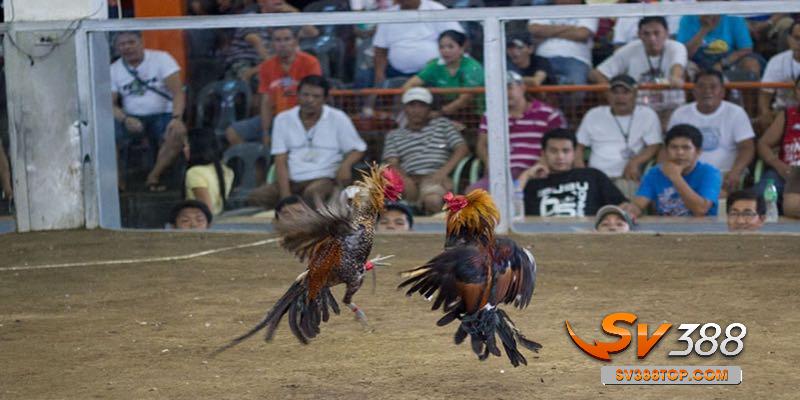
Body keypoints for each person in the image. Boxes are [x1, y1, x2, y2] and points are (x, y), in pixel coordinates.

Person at [247, 75, 367, 209]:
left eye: (316, 96)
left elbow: (358, 149)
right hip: (293, 181)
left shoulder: (338, 118)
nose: (309, 100)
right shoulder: (283, 119)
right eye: (305, 95)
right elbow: (280, 159)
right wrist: (286, 197)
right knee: (257, 197)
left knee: (313, 195)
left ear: (325, 99)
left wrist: (345, 165)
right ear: (297, 95)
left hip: (324, 178)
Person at [111, 31, 187, 191]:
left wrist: (177, 118)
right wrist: (125, 119)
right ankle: (117, 184)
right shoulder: (114, 69)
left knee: (176, 134)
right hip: (131, 117)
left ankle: (154, 176)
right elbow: (110, 105)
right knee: (107, 138)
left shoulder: (161, 59)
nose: (127, 47)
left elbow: (178, 92)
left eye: (131, 42)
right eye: (122, 44)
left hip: (164, 114)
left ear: (141, 42)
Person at [469, 71, 566, 192]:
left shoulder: (548, 113)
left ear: (522, 88)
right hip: (500, 174)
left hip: (536, 171)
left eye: (509, 88)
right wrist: (489, 163)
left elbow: (557, 144)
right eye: (500, 89)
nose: (505, 93)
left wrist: (539, 166)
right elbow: (482, 145)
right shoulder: (490, 115)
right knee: (473, 195)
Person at [225, 27, 322, 146]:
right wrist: (265, 132)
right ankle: (258, 163)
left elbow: (314, 98)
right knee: (233, 132)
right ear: (272, 44)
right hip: (275, 117)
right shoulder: (266, 66)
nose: (283, 44)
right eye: (278, 40)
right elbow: (266, 101)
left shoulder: (310, 63)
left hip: (303, 118)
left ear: (295, 42)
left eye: (287, 39)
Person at [382, 87, 469, 214]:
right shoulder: (394, 135)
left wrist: (443, 173)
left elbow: (462, 149)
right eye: (412, 105)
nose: (416, 110)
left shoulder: (442, 125)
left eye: (421, 106)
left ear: (429, 109)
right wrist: (405, 180)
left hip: (435, 177)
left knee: (432, 200)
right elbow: (392, 162)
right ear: (405, 109)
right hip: (407, 179)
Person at [667, 69, 755, 193]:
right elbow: (667, 148)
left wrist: (736, 171)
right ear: (694, 91)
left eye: (713, 87)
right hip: (686, 174)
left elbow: (747, 148)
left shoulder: (736, 113)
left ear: (723, 92)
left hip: (724, 175)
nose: (707, 91)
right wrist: (666, 173)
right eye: (701, 87)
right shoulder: (680, 113)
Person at [576, 74, 662, 199]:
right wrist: (581, 171)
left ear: (635, 94)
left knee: (626, 203)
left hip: (626, 177)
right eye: (615, 92)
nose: (620, 97)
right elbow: (579, 147)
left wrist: (635, 161)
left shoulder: (647, 115)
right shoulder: (594, 114)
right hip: (596, 177)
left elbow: (654, 145)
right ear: (608, 95)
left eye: (625, 92)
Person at [519, 128, 629, 217]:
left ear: (575, 153)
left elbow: (623, 207)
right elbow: (511, 208)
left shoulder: (593, 176)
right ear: (543, 153)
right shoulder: (533, 183)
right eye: (553, 151)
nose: (560, 157)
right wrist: (527, 174)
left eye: (566, 151)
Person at [591, 16, 687, 118]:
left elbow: (677, 66)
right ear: (639, 35)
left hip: (671, 108)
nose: (652, 38)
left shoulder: (677, 47)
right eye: (646, 34)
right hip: (639, 111)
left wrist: (675, 77)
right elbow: (596, 74)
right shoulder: (630, 49)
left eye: (656, 33)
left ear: (666, 33)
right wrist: (612, 95)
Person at [629, 124, 722, 217]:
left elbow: (701, 210)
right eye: (674, 147)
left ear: (698, 152)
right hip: (665, 229)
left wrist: (675, 177)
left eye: (686, 148)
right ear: (666, 151)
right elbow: (639, 204)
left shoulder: (710, 173)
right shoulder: (655, 172)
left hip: (703, 229)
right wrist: (631, 209)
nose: (679, 152)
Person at [372, 0, 464, 85]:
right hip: (397, 73)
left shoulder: (435, 9)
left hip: (433, 72)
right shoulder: (389, 15)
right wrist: (379, 74)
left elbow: (459, 39)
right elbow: (380, 49)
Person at [402, 30, 485, 118]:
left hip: (474, 113)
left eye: (450, 47)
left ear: (462, 48)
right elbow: (408, 85)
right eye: (441, 47)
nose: (445, 51)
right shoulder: (435, 65)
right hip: (444, 111)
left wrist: (438, 114)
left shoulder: (473, 67)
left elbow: (465, 99)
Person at [527, 0, 598, 88]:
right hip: (544, 59)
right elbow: (535, 30)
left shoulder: (587, 10)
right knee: (538, 89)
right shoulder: (543, 9)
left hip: (576, 60)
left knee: (575, 90)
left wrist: (548, 32)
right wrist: (569, 28)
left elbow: (581, 34)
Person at [676, 7, 761, 78]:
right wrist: (704, 29)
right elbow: (684, 53)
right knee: (681, 69)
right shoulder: (687, 18)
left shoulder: (733, 17)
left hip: (727, 61)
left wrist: (722, 64)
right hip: (697, 62)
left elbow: (746, 48)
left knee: (751, 64)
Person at [756, 76, 800, 210]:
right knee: (759, 197)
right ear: (795, 92)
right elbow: (763, 144)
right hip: (786, 171)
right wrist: (778, 165)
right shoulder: (787, 114)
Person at [758, 22, 800, 131]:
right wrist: (765, 113)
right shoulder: (777, 61)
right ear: (789, 39)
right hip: (783, 112)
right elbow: (765, 94)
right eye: (797, 38)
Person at [183, 128, 235, 216]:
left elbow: (206, 210)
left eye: (187, 145)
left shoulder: (194, 173)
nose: (184, 149)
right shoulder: (227, 171)